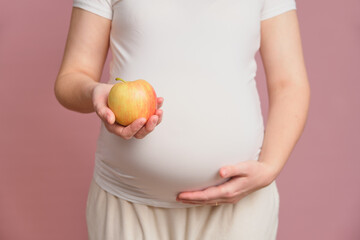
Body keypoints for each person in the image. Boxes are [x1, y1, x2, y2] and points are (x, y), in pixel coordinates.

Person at [54, 0, 310, 239]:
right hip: (127, 203)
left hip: (240, 210)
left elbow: (289, 84)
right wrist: (94, 93)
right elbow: (71, 78)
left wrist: (269, 168)